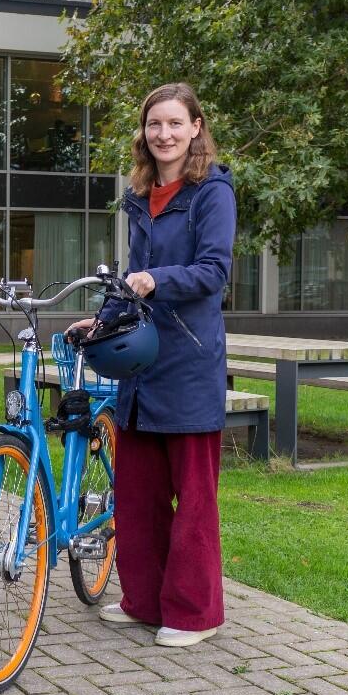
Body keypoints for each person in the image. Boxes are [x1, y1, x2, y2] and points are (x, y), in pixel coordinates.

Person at [69, 82, 236, 648]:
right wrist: (102, 321)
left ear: (195, 128)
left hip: (188, 363)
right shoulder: (140, 198)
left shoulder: (212, 192)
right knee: (136, 494)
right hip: (141, 365)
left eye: (174, 123)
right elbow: (129, 284)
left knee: (193, 499)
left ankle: (195, 613)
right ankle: (143, 601)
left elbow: (213, 271)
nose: (163, 134)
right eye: (153, 125)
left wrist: (157, 280)